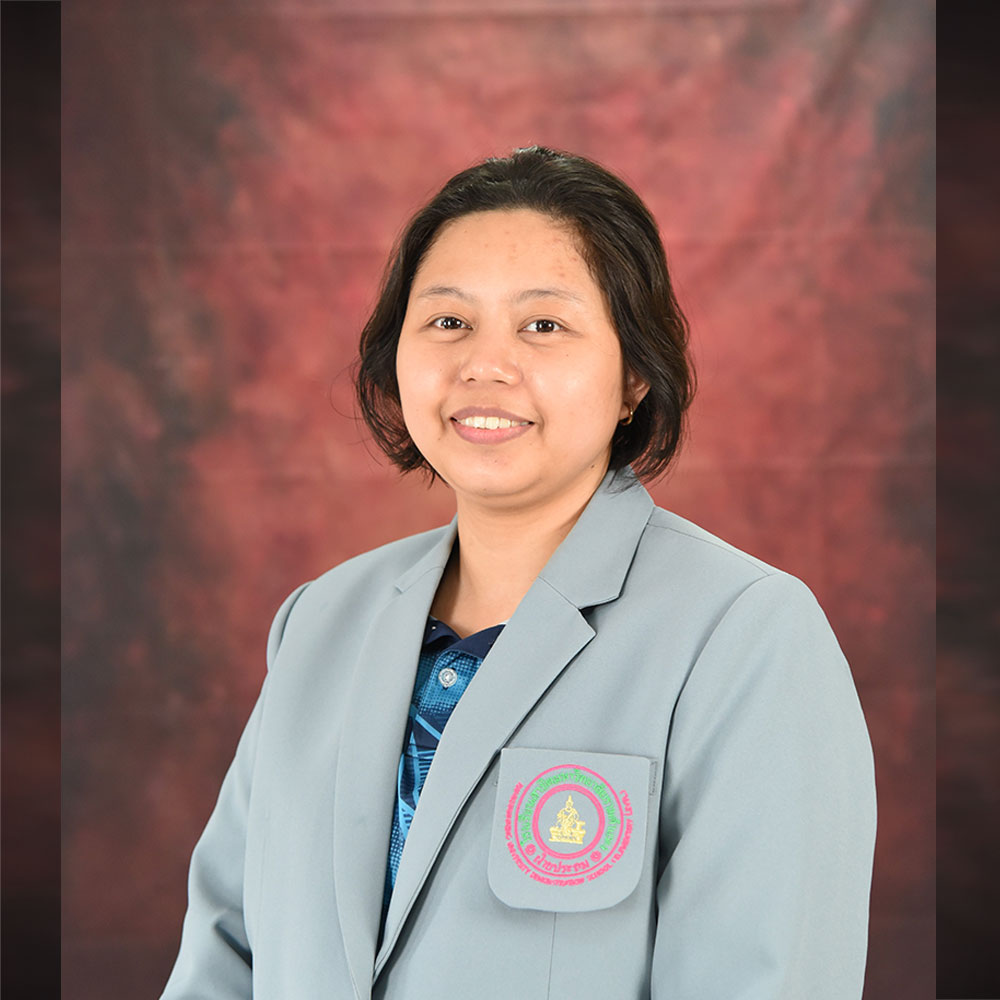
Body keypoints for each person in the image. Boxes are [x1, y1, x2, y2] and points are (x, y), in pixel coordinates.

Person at [161, 146, 876, 999]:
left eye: (544, 326)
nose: (485, 365)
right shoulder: (319, 620)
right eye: (448, 322)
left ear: (635, 376)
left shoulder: (746, 636)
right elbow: (224, 955)